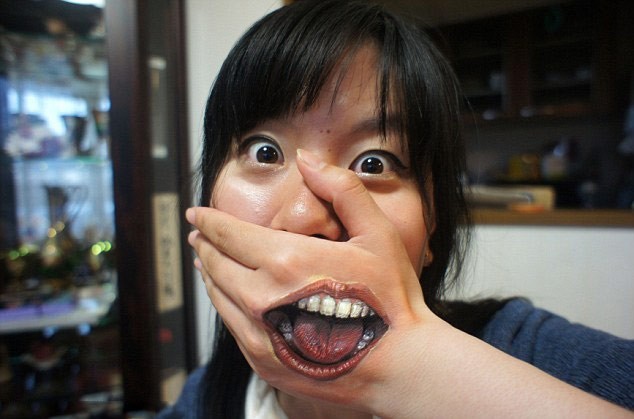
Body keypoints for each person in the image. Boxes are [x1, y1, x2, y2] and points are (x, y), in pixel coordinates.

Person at [159, 0, 634, 417]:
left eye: (374, 162)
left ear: (432, 226)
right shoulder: (209, 397)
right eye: (265, 152)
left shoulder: (527, 356)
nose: (306, 219)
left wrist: (412, 369)